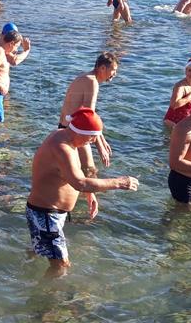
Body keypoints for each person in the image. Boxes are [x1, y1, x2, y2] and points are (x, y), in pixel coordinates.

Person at [27, 107, 139, 277]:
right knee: (61, 266)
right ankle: (48, 300)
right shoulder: (62, 147)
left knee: (39, 249)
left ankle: (25, 271)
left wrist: (89, 193)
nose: (94, 141)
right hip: (46, 215)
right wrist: (119, 183)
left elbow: (73, 173)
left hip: (48, 213)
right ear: (79, 131)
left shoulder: (66, 137)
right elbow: (80, 183)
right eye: (92, 136)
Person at [57, 52, 118, 177]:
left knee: (72, 171)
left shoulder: (85, 77)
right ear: (102, 68)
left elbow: (88, 113)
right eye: (113, 70)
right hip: (75, 131)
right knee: (89, 171)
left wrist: (102, 138)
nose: (114, 75)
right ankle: (92, 196)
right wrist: (100, 146)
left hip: (64, 129)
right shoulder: (92, 82)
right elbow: (89, 117)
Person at [164, 56, 191, 128]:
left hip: (187, 122)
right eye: (189, 70)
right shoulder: (180, 86)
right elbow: (173, 105)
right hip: (173, 123)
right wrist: (189, 98)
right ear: (185, 71)